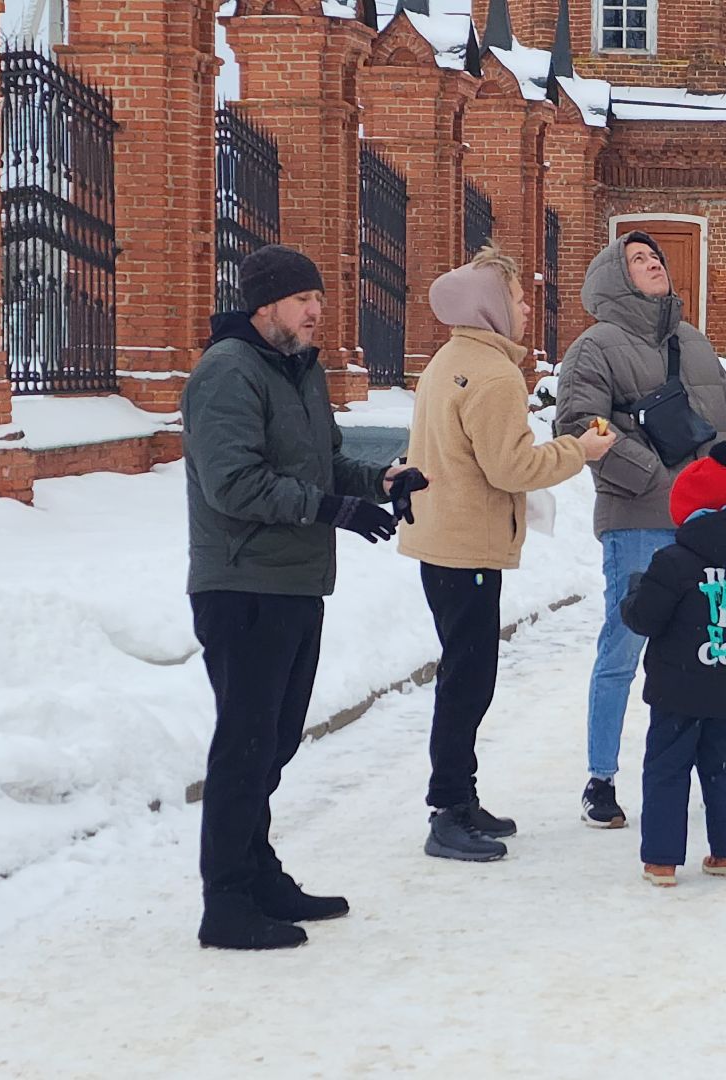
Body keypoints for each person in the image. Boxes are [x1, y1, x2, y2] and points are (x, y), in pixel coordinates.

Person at [181, 244, 421, 950]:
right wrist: (330, 511)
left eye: (318, 298)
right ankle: (225, 899)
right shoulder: (227, 373)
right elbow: (235, 485)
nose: (318, 311)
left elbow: (322, 460)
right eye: (303, 300)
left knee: (273, 741)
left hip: (291, 582)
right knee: (245, 745)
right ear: (264, 307)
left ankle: (257, 874)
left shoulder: (296, 371)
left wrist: (377, 481)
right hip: (242, 584)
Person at [398, 247, 617, 862]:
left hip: (443, 538)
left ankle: (460, 799)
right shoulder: (493, 374)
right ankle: (448, 810)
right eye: (519, 298)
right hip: (465, 544)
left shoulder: (450, 359)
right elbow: (511, 466)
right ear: (491, 307)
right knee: (467, 681)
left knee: (465, 675)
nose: (526, 308)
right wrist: (581, 451)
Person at [553, 232, 726, 829]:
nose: (654, 264)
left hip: (706, 524)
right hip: (639, 518)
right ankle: (601, 778)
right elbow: (581, 426)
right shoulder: (595, 348)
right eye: (639, 259)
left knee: (709, 648)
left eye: (657, 257)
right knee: (623, 646)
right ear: (616, 277)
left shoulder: (693, 341)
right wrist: (660, 481)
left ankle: (716, 770)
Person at [621, 443, 726, 886]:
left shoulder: (673, 563)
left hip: (677, 690)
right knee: (724, 766)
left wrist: (635, 591)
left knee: (667, 767)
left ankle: (662, 860)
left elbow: (644, 617)